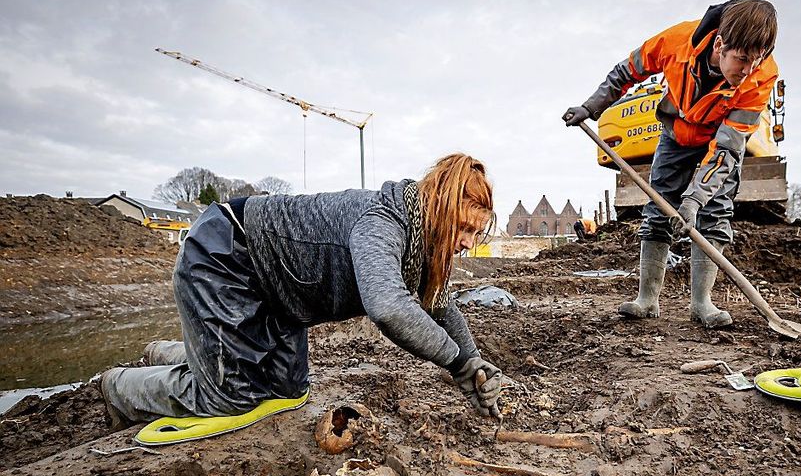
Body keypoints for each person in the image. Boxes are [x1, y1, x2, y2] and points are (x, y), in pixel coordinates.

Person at [100, 154, 503, 429]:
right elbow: (388, 308)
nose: (468, 242)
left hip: (281, 296)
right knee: (229, 399)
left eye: (475, 231)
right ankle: (116, 385)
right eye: (464, 228)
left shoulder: (423, 244)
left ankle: (181, 352)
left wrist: (475, 363)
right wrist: (456, 364)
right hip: (226, 255)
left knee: (286, 390)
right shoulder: (383, 222)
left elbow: (440, 304)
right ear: (437, 206)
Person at [563, 0, 778, 328]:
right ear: (720, 44)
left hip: (718, 138)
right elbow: (627, 71)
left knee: (715, 211)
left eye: (756, 61)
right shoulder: (676, 41)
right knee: (658, 207)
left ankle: (702, 304)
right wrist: (591, 107)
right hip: (677, 131)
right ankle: (647, 300)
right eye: (742, 60)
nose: (748, 70)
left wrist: (694, 200)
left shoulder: (761, 77)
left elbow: (728, 149)